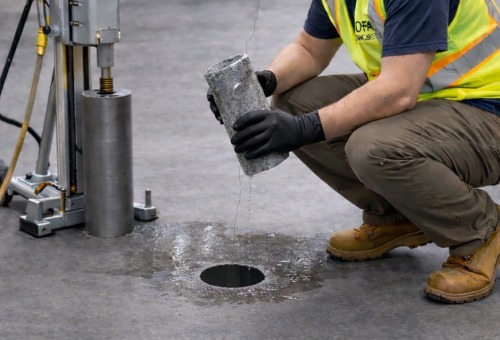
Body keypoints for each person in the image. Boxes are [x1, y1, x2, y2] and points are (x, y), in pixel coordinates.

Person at [207, 0, 500, 303]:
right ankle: (397, 216)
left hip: (487, 107)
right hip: (429, 98)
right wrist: (267, 80)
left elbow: (398, 91)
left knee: (374, 148)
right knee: (293, 102)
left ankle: (479, 231)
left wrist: (303, 129)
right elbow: (309, 49)